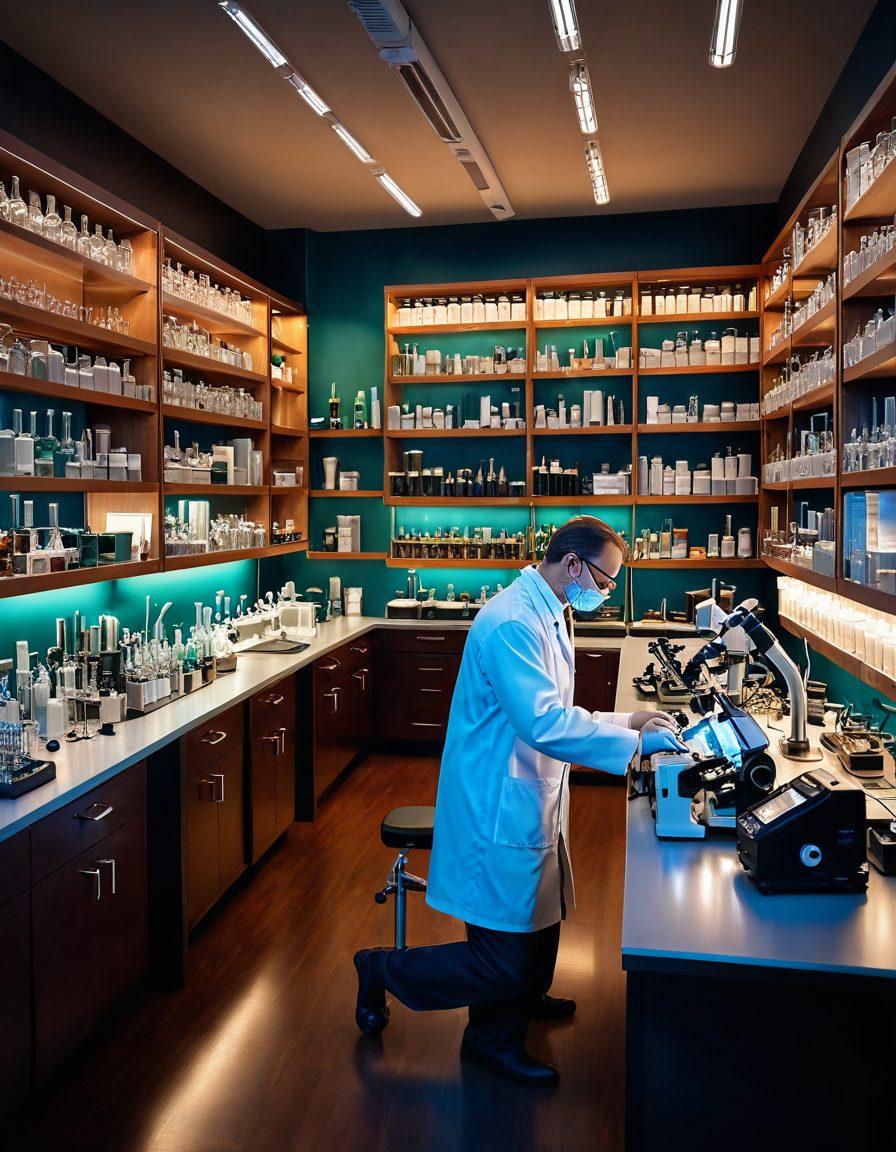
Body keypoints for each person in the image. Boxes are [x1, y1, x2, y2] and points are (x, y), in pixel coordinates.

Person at [354, 516, 684, 1086]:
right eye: (604, 583)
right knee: (500, 953)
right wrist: (635, 743)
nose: (604, 596)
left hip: (531, 790)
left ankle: (524, 997)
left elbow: (558, 712)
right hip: (494, 801)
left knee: (539, 918)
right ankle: (393, 975)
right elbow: (543, 722)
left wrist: (627, 719)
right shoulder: (510, 620)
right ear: (573, 564)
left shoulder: (550, 611)